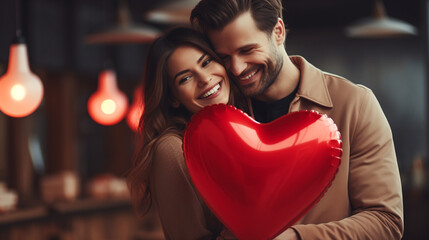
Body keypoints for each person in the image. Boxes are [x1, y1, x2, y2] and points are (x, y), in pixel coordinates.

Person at [190, 0, 404, 239]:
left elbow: (386, 222)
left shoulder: (355, 103)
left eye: (247, 50)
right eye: (225, 57)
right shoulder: (220, 119)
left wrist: (296, 238)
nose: (237, 68)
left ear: (278, 32)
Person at [127, 27, 246, 239]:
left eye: (206, 62)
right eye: (185, 78)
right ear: (173, 97)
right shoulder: (172, 149)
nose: (205, 79)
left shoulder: (242, 127)